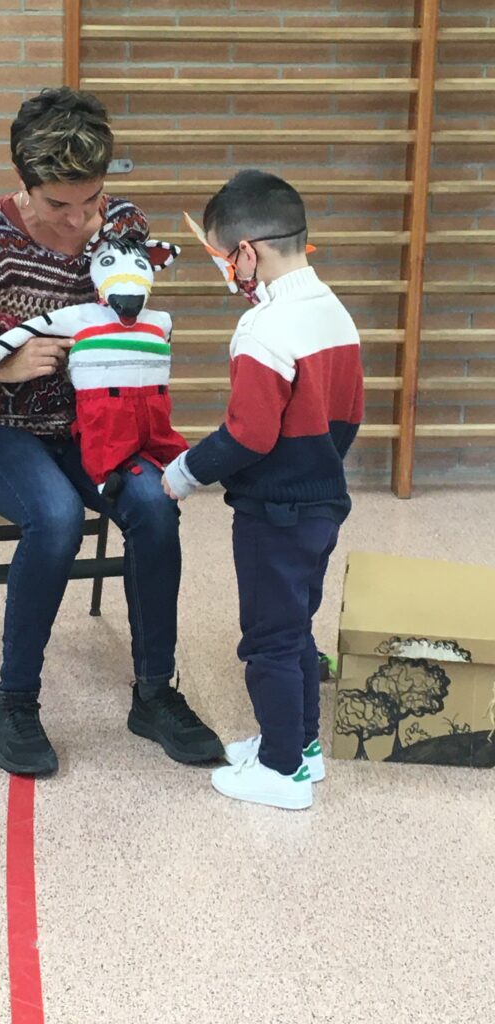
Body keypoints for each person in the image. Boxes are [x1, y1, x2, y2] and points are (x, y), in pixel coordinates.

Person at [0, 87, 223, 776]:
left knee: (156, 503)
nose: (78, 221)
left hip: (89, 425)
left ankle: (155, 694)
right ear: (24, 181)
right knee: (58, 516)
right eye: (58, 204)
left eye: (90, 199)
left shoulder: (122, 224)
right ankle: (12, 703)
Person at [163, 170, 364, 810]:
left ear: (247, 254)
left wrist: (184, 473)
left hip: (273, 512)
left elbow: (247, 435)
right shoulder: (333, 310)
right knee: (295, 628)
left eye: (223, 259)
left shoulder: (262, 328)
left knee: (268, 641)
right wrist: (315, 471)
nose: (227, 274)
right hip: (322, 502)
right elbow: (350, 415)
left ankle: (281, 772)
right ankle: (301, 746)